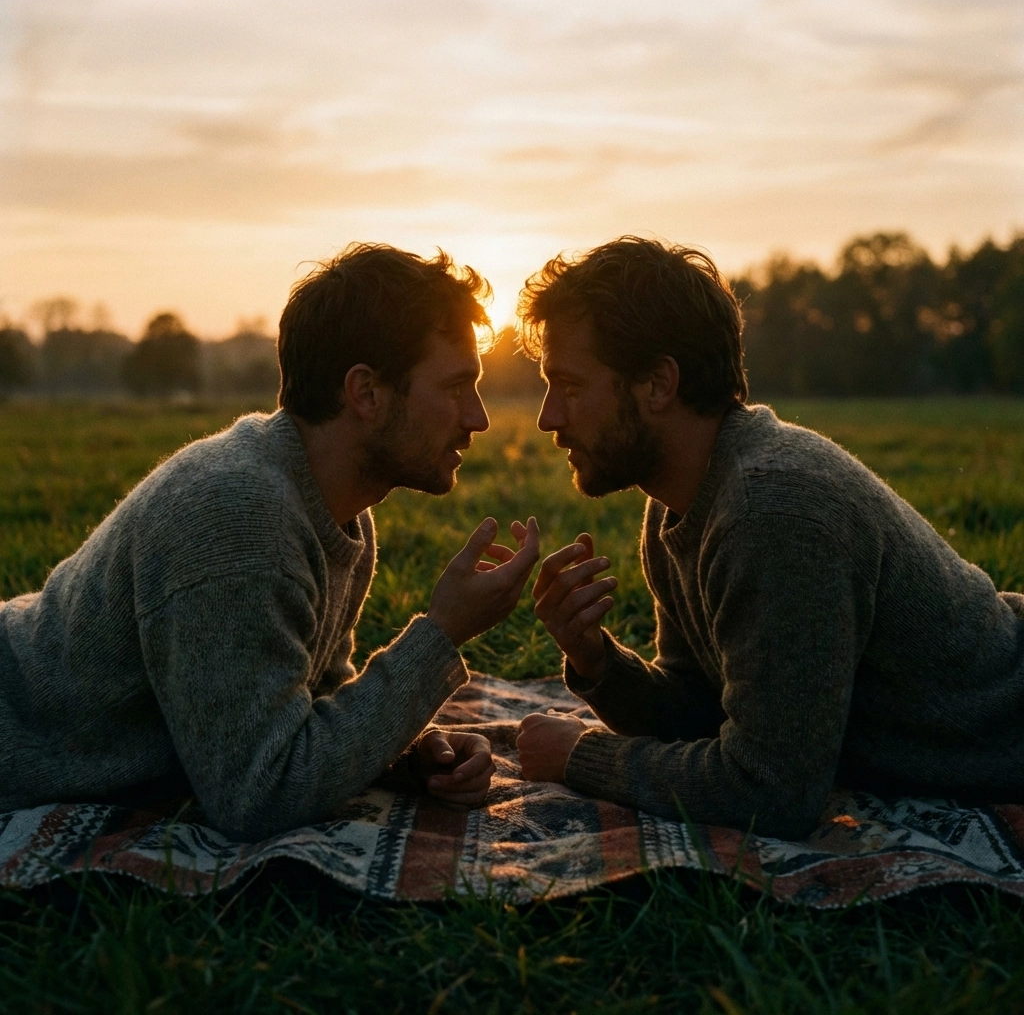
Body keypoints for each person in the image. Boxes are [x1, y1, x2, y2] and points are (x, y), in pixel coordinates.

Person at [0, 244, 540, 841]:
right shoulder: (238, 517)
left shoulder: (332, 508)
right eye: (458, 386)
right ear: (365, 393)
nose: (480, 418)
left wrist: (404, 753)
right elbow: (261, 793)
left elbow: (311, 698)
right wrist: (439, 634)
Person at [514, 235, 1024, 841]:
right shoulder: (678, 504)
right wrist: (598, 663)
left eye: (569, 385)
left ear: (657, 383)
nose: (548, 417)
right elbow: (706, 710)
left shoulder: (772, 512)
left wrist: (582, 758)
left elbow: (772, 788)